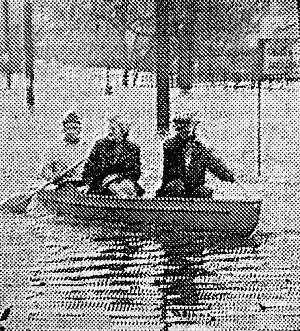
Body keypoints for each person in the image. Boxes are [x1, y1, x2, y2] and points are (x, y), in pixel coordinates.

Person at [157, 114, 235, 198]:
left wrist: (229, 176)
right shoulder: (170, 145)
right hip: (174, 188)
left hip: (193, 188)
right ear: (177, 129)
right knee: (176, 187)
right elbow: (172, 170)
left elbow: (214, 164)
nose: (185, 130)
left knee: (204, 192)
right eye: (182, 128)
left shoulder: (200, 148)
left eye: (188, 127)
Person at [82, 115, 144, 198]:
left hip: (124, 185)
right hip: (100, 187)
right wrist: (87, 184)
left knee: (125, 190)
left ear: (123, 131)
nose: (110, 132)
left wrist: (116, 177)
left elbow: (135, 173)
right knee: (117, 191)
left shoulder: (132, 149)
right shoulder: (100, 146)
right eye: (110, 128)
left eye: (113, 129)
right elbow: (88, 169)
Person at [39, 111, 89, 184]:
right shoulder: (54, 148)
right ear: (64, 130)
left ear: (79, 130)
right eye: (68, 128)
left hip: (82, 186)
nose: (71, 132)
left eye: (74, 128)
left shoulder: (87, 148)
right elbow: (45, 169)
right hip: (61, 186)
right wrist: (52, 177)